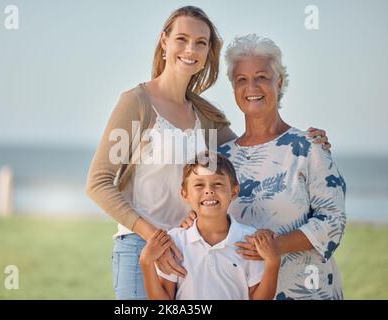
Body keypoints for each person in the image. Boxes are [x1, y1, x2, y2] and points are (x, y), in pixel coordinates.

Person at [85, 6, 330, 300]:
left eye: (201, 42)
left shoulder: (206, 116)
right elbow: (98, 184)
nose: (191, 49)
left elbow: (252, 153)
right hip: (143, 248)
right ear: (164, 41)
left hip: (191, 252)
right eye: (182, 39)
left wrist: (303, 141)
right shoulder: (136, 103)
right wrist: (155, 238)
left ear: (208, 53)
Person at [183, 34, 346, 299]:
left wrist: (274, 246)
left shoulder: (309, 147)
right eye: (242, 80)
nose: (252, 87)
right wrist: (194, 219)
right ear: (234, 89)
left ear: (279, 82)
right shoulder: (220, 160)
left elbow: (333, 222)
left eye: (262, 76)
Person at [139, 152, 280, 300]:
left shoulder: (250, 241)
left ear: (234, 191)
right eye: (199, 185)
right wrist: (146, 262)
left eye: (218, 184)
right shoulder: (175, 241)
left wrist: (273, 263)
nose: (209, 190)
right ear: (185, 194)